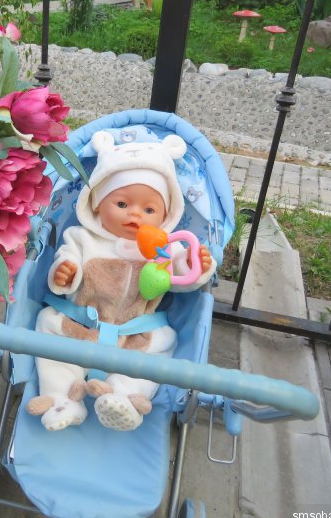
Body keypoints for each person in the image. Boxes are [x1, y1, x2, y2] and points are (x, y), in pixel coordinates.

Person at [25, 130, 216, 431]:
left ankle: (123, 397)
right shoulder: (82, 237)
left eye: (149, 209)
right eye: (122, 204)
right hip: (81, 329)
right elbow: (67, 258)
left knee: (164, 344)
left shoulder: (166, 247)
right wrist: (66, 272)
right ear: (97, 203)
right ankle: (62, 398)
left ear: (166, 215)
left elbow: (183, 277)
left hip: (135, 336)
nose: (134, 215)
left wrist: (194, 264)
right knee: (47, 323)